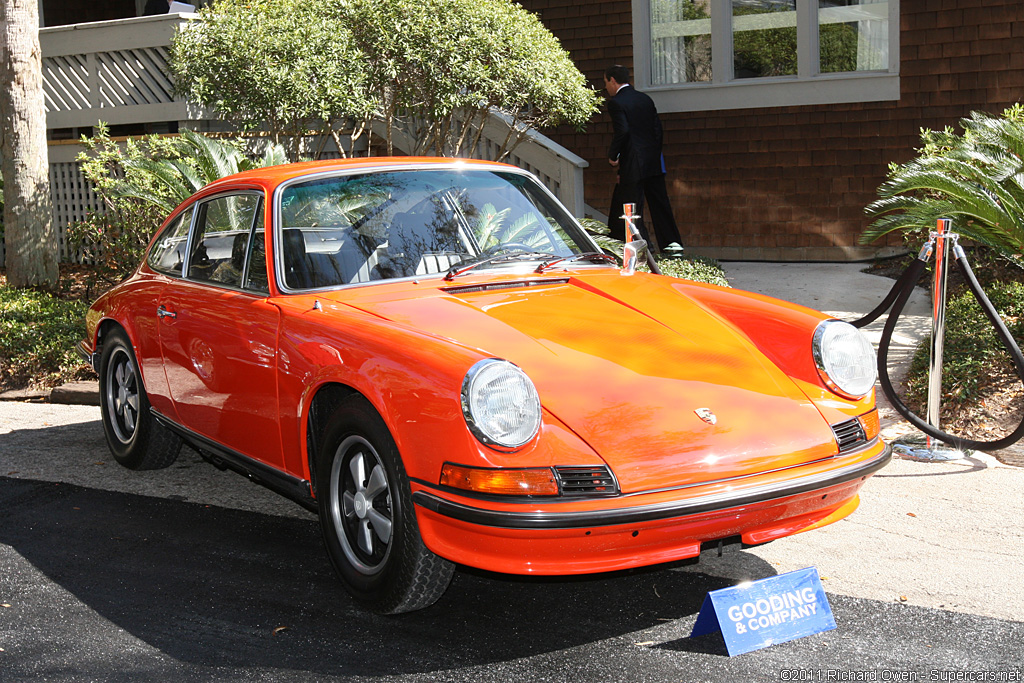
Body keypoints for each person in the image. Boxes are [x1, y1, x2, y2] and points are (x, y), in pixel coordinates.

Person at [604, 65, 681, 252]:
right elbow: (657, 130)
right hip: (653, 161)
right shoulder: (645, 99)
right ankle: (672, 244)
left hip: (633, 163)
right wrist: (654, 153)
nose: (606, 87)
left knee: (633, 207)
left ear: (613, 80)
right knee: (660, 203)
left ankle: (643, 247)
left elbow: (622, 131)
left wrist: (613, 156)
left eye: (606, 82)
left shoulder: (616, 103)